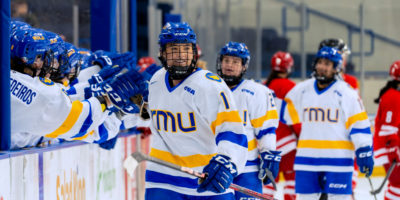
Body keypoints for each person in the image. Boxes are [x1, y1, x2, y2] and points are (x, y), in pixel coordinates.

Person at [144, 22, 247, 199]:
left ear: (194, 52)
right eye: (174, 49)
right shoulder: (155, 80)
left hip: (205, 180)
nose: (180, 56)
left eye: (186, 49)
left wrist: (227, 161)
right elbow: (143, 116)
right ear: (162, 53)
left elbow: (231, 130)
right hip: (162, 179)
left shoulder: (210, 86)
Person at [10, 28, 145, 147]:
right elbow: (75, 120)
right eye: (43, 58)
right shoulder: (30, 90)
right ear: (26, 58)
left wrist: (96, 86)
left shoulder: (18, 80)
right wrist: (108, 99)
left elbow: (63, 99)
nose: (52, 68)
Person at [281, 46, 374, 200]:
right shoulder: (302, 90)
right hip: (307, 161)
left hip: (338, 162)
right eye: (320, 62)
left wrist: (364, 149)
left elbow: (359, 124)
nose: (322, 67)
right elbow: (286, 116)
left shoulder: (347, 93)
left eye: (327, 64)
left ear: (336, 68)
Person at [217, 41, 280, 200]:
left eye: (235, 62)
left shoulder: (257, 92)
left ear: (244, 66)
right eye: (226, 60)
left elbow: (266, 130)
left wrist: (268, 154)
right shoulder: (210, 89)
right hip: (217, 167)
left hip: (248, 168)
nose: (230, 65)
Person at [264, 51, 299, 200]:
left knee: (268, 182)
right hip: (288, 145)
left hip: (267, 143)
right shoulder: (291, 86)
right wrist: (302, 136)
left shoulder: (264, 86)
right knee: (292, 180)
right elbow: (295, 118)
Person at [373, 60, 400, 200]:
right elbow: (388, 130)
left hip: (393, 146)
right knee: (398, 185)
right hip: (390, 148)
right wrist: (393, 149)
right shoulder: (393, 96)